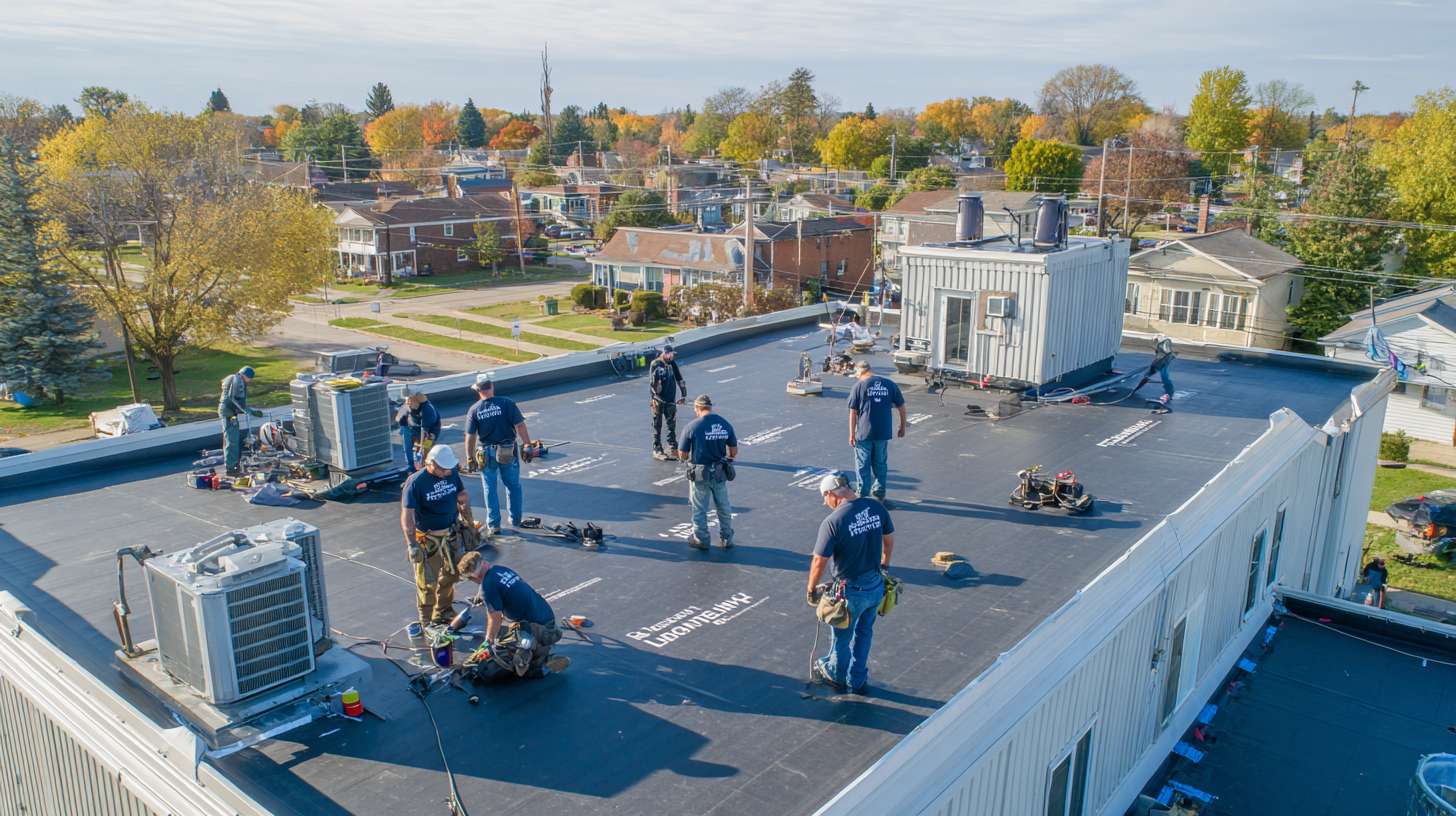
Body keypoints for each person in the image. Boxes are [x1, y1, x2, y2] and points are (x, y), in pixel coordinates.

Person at [806, 473, 894, 694]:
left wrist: (811, 589)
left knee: (842, 637)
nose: (826, 504)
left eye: (825, 499)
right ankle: (857, 679)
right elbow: (889, 539)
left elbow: (819, 561)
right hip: (875, 585)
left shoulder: (833, 521)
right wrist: (884, 566)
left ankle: (836, 675)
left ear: (830, 494)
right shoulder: (875, 507)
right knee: (864, 633)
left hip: (850, 591)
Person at [456, 551, 569, 679]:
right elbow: (503, 588)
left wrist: (488, 642)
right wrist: (481, 595)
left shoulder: (488, 587)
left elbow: (495, 618)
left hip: (534, 627)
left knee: (493, 666)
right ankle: (540, 649)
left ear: (474, 576)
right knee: (511, 632)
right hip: (547, 618)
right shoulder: (500, 570)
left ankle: (539, 664)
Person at [401, 444, 472, 630]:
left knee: (452, 574)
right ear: (430, 463)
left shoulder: (450, 473)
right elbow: (406, 517)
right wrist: (412, 545)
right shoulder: (416, 482)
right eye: (442, 468)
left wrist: (467, 514)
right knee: (427, 583)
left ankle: (443, 610)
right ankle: (427, 621)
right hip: (428, 539)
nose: (445, 472)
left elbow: (461, 493)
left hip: (451, 534)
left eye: (448, 468)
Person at [464, 373, 533, 535]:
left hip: (486, 452)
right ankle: (515, 519)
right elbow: (520, 426)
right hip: (508, 450)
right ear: (492, 386)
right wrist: (527, 445)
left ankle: (494, 524)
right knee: (513, 486)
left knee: (490, 488)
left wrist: (469, 457)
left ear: (478, 391)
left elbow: (470, 436)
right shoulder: (507, 403)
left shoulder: (474, 409)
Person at [677, 394, 736, 550]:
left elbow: (682, 454)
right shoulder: (725, 424)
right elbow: (733, 452)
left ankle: (701, 539)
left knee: (699, 509)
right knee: (723, 506)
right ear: (710, 407)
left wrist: (689, 459)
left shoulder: (692, 427)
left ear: (697, 408)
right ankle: (726, 538)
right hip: (719, 473)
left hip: (700, 474)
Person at [847, 360, 907, 507]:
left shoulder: (859, 386)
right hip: (883, 432)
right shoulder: (889, 384)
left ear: (860, 371)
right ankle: (879, 494)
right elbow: (902, 407)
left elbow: (853, 412)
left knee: (863, 464)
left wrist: (851, 434)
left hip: (864, 433)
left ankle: (862, 494)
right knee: (880, 463)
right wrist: (902, 426)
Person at [218, 366, 264, 477]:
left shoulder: (233, 378)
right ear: (246, 376)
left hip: (228, 412)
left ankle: (232, 464)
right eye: (250, 379)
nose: (249, 381)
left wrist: (244, 410)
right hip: (229, 414)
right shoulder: (238, 381)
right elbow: (234, 399)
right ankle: (231, 468)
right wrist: (248, 411)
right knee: (232, 440)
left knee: (230, 440)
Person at [649, 343, 687, 461]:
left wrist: (683, 394)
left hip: (670, 400)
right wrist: (657, 384)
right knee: (657, 425)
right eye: (670, 354)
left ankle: (672, 447)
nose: (672, 356)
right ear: (664, 353)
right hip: (658, 400)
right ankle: (657, 449)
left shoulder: (672, 363)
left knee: (671, 425)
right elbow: (653, 386)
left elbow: (679, 378)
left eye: (672, 354)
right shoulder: (656, 364)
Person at [396, 388, 441, 471]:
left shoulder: (427, 410)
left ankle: (425, 466)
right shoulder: (406, 407)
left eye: (411, 400)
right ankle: (411, 466)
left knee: (426, 446)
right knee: (407, 442)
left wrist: (421, 448)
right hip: (413, 427)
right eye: (407, 401)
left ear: (417, 400)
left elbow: (424, 431)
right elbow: (401, 423)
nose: (409, 403)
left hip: (431, 430)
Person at [1132, 337, 1176, 409]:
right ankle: (1136, 388)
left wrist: (1168, 356)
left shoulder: (1164, 343)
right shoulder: (1160, 346)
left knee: (1165, 378)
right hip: (1158, 363)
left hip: (1162, 363)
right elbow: (1159, 354)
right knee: (1147, 376)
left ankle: (1169, 394)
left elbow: (1167, 353)